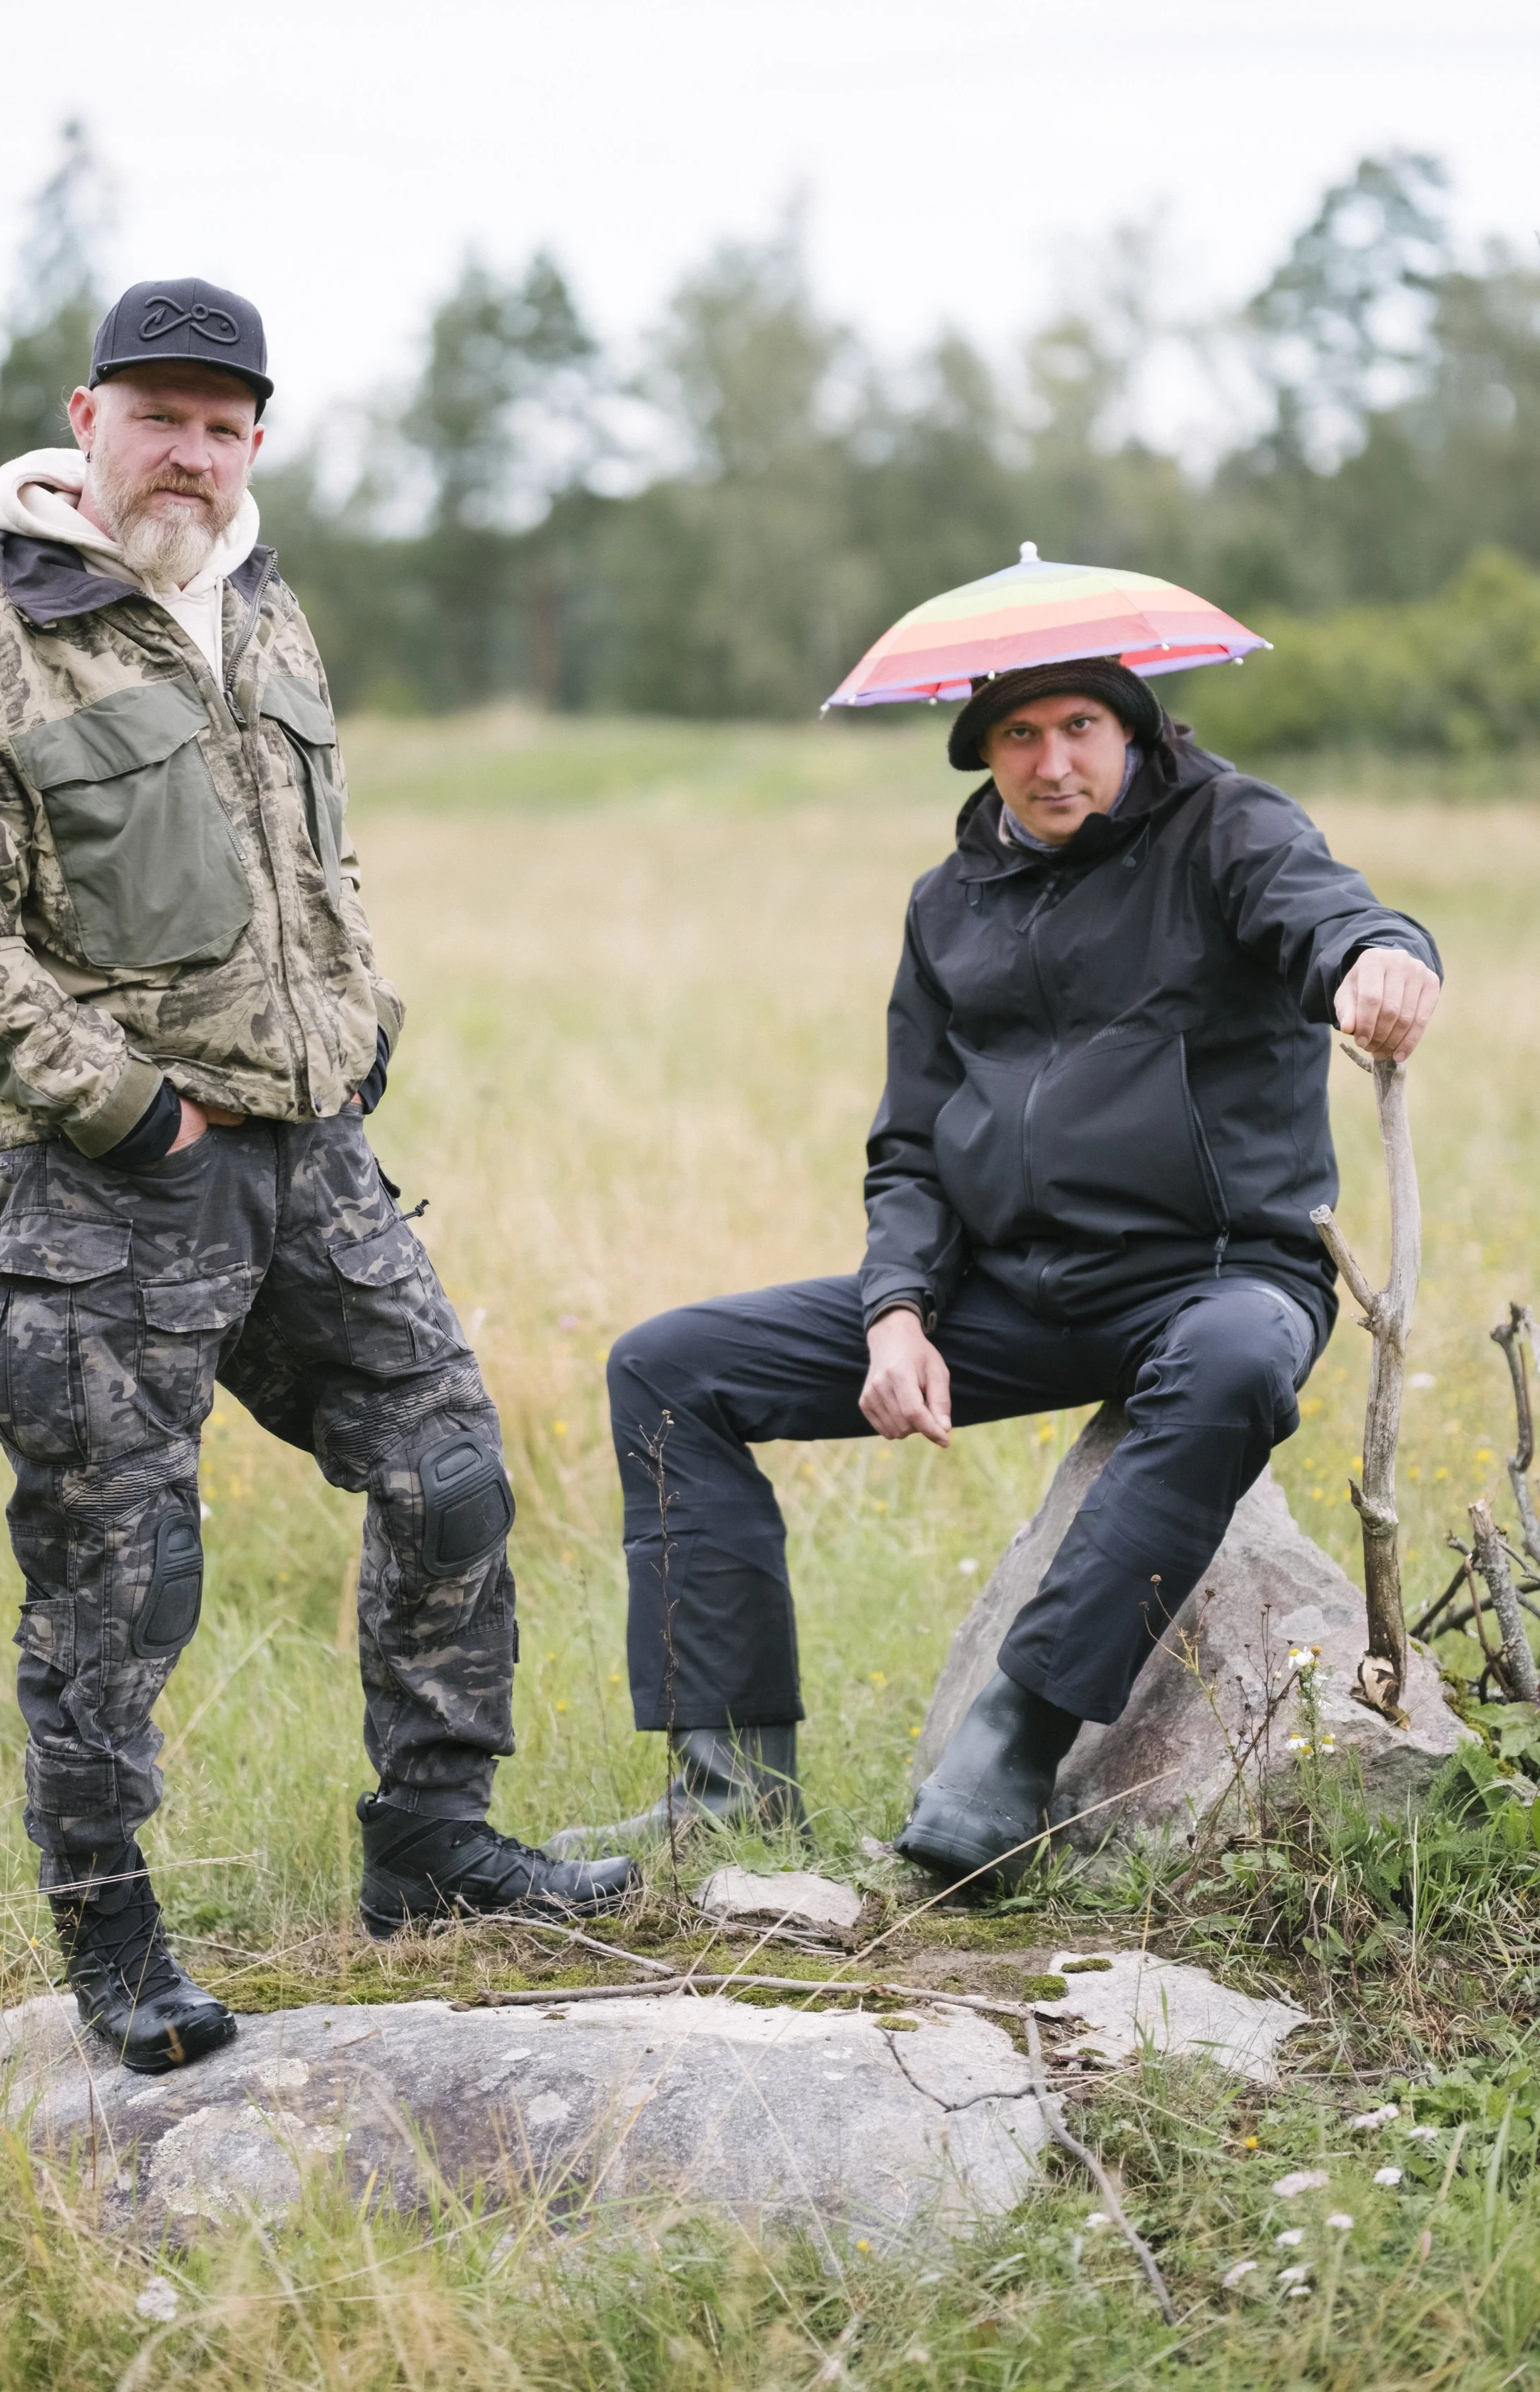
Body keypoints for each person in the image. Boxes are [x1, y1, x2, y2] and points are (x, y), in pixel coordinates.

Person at [0, 277, 633, 2073]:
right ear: (86, 420)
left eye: (222, 424)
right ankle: (114, 1938)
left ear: (255, 442)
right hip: (116, 1183)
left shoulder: (267, 617)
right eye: (158, 416)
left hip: (315, 1156)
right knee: (117, 1573)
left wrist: (362, 1020)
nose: (189, 453)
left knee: (447, 1471)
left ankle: (432, 1845)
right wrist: (122, 1109)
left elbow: (324, 869)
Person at [594, 657, 1442, 1877]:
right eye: (1021, 734)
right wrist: (895, 1312)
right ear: (985, 751)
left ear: (1134, 730)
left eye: (1082, 727)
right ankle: (726, 1795)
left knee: (1237, 1360)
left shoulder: (1228, 830)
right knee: (671, 1368)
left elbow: (1334, 917)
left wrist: (1379, 956)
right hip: (1014, 1292)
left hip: (1216, 1274)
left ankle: (1013, 1746)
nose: (1054, 763)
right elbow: (911, 1147)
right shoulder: (952, 900)